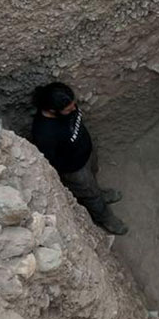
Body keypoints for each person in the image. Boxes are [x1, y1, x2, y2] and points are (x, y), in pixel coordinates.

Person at [29, 82, 127, 235]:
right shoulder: (44, 134)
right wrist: (72, 176)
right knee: (91, 196)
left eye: (74, 105)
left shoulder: (66, 105)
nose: (74, 109)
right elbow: (50, 161)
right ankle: (106, 218)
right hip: (75, 170)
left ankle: (100, 193)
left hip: (87, 154)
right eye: (69, 109)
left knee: (93, 178)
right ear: (52, 110)